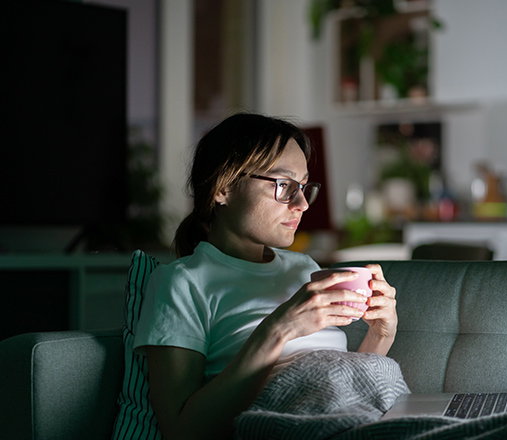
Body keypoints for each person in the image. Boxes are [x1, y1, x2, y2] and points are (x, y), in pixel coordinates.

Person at [132, 113, 398, 440]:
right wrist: (278, 329)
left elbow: (347, 391)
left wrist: (381, 335)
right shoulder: (183, 283)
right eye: (284, 185)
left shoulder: (304, 268)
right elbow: (183, 430)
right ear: (224, 188)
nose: (301, 203)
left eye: (303, 187)